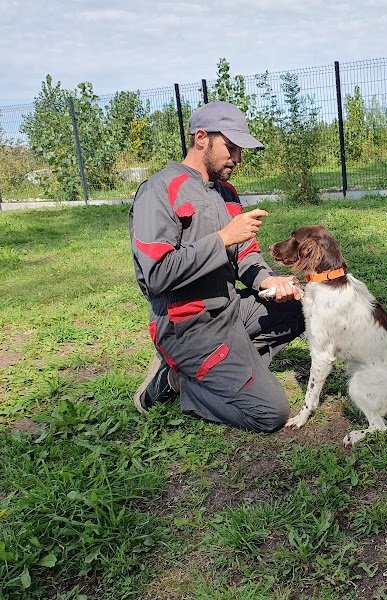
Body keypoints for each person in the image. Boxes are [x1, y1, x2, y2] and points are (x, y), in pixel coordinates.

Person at [128, 101, 304, 433]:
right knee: (271, 413)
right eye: (231, 147)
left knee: (302, 305)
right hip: (188, 326)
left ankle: (231, 368)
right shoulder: (159, 191)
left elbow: (247, 255)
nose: (237, 158)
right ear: (201, 137)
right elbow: (156, 276)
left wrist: (269, 282)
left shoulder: (227, 192)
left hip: (230, 311)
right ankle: (177, 380)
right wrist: (221, 239)